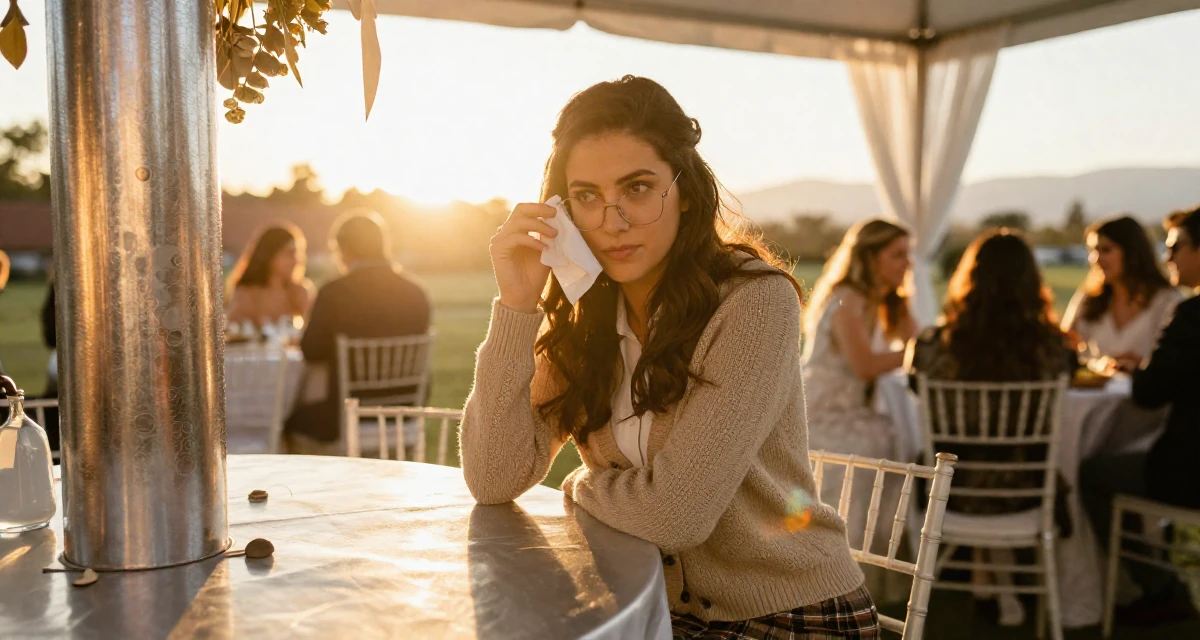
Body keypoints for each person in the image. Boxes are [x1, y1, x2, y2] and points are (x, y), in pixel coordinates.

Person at [460, 76, 876, 637]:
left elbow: (676, 515)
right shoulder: (584, 316)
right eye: (587, 196)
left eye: (637, 188)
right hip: (651, 608)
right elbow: (493, 478)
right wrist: (516, 304)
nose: (612, 222)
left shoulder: (754, 302)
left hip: (790, 615)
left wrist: (579, 486)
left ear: (685, 191)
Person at [906, 229, 1074, 626]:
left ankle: (985, 581)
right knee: (997, 454)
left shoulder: (933, 345)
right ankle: (997, 584)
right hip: (1023, 489)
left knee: (960, 454)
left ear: (969, 278)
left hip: (955, 490)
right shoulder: (1054, 349)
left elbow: (914, 386)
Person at [1079, 205, 1200, 626]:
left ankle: (1158, 587)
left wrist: (1142, 370)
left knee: (1091, 472)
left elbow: (1149, 394)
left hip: (1186, 470)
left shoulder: (1191, 315)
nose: (1169, 257)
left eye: (1176, 247)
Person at [801, 219, 916, 569]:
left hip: (854, 409)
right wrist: (918, 353)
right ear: (870, 257)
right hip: (820, 412)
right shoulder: (845, 298)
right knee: (884, 441)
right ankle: (840, 559)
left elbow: (917, 340)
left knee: (897, 437)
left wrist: (907, 319)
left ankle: (875, 558)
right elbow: (864, 365)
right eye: (897, 255)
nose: (907, 263)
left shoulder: (885, 301)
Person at [282, 210, 431, 455]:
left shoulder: (334, 292)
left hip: (345, 414)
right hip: (404, 410)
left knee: (288, 423)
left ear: (345, 249)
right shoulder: (417, 293)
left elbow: (311, 351)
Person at [1061, 215, 1181, 370]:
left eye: (1106, 250)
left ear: (1131, 252)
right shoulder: (1088, 299)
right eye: (1093, 250)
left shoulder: (1167, 301)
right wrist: (1099, 365)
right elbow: (1064, 347)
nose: (1096, 259)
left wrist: (1140, 367)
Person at [225, 223, 314, 330]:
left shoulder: (298, 292)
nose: (296, 260)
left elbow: (315, 330)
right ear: (270, 255)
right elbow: (231, 330)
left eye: (297, 254)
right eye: (289, 253)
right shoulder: (247, 294)